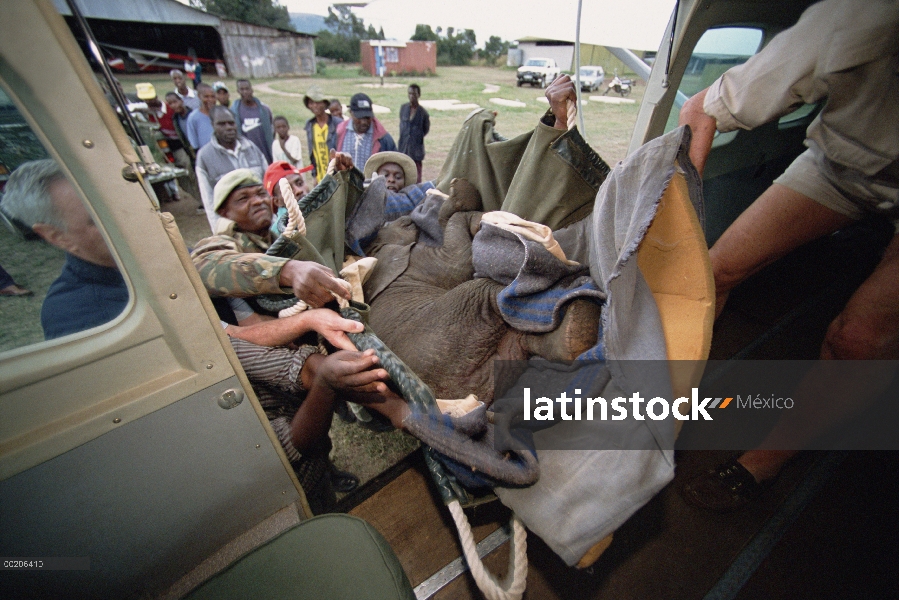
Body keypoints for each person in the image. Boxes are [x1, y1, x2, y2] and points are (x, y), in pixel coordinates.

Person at [678, 0, 899, 511]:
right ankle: (666, 406)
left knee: (858, 342)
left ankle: (763, 462)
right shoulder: (857, 16)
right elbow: (701, 110)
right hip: (839, 164)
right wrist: (680, 224)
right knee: (711, 273)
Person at [1, 160, 127, 339]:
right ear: (58, 237)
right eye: (101, 216)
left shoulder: (152, 256)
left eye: (124, 202)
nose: (130, 217)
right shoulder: (83, 321)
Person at [195, 106, 269, 232]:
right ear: (213, 125)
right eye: (222, 124)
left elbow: (267, 185)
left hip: (262, 224)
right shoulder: (205, 157)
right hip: (235, 230)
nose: (228, 127)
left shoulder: (251, 148)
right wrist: (219, 232)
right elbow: (209, 201)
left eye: (231, 123)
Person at [135, 83, 201, 207]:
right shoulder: (148, 115)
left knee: (190, 172)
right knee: (182, 180)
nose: (148, 102)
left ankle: (204, 200)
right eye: (145, 100)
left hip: (181, 146)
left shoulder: (171, 110)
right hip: (167, 150)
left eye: (150, 99)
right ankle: (200, 199)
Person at [336, 93, 396, 170]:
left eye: (367, 118)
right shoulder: (339, 132)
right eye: (360, 118)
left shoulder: (383, 139)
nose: (364, 122)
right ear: (351, 113)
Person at [303, 86, 342, 184]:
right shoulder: (310, 126)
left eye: (318, 102)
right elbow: (312, 153)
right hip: (321, 178)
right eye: (311, 103)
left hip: (337, 177)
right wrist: (315, 175)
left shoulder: (338, 124)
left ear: (325, 104)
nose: (315, 106)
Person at [264, 160, 313, 236]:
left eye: (300, 183)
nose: (299, 191)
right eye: (288, 190)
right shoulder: (280, 233)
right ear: (277, 202)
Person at [230, 79, 274, 163]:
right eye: (242, 89)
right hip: (247, 157)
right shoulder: (234, 111)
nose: (245, 92)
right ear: (238, 91)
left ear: (252, 89)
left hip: (266, 154)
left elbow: (272, 131)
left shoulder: (264, 109)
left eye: (247, 89)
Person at [398, 84, 430, 183]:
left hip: (416, 151)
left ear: (419, 95)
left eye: (414, 94)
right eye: (410, 93)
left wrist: (416, 137)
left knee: (416, 177)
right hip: (403, 148)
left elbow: (425, 129)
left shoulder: (423, 113)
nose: (412, 96)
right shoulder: (403, 108)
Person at [185, 83, 217, 153]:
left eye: (213, 96)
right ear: (199, 96)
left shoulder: (220, 114)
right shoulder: (193, 117)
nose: (210, 99)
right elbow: (194, 142)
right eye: (206, 97)